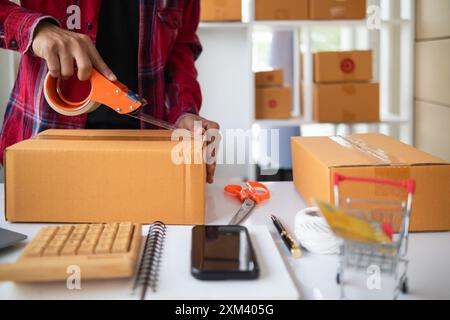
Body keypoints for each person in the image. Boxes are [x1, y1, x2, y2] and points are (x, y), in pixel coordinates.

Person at [0, 0, 219, 183]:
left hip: (148, 159)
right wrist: (35, 29)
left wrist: (184, 111)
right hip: (43, 150)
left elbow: (180, 47)